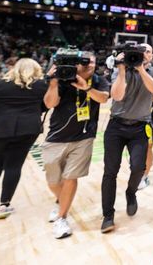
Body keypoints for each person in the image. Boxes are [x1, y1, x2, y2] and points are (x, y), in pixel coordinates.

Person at [42, 52, 110, 238]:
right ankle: (60, 201)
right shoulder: (63, 79)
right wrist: (54, 82)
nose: (88, 65)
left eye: (92, 62)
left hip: (84, 137)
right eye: (83, 62)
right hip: (56, 136)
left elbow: (103, 98)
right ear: (75, 63)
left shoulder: (98, 80)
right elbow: (49, 104)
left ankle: (62, 218)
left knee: (71, 177)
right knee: (53, 180)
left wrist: (86, 88)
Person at [101, 43, 153, 233]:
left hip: (140, 127)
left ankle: (131, 192)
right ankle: (108, 215)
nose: (142, 54)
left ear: (149, 56)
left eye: (146, 52)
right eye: (139, 52)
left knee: (139, 167)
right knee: (110, 171)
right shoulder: (120, 69)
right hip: (116, 126)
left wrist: (140, 69)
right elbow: (117, 96)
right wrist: (121, 71)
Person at [0, 58, 46, 219]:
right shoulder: (41, 86)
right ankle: (4, 205)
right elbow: (45, 107)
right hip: (27, 130)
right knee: (13, 166)